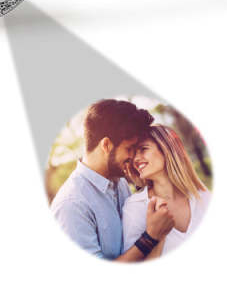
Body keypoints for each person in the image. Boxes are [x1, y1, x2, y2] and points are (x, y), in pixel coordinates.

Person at [50, 99, 176, 261]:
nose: (133, 157)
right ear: (106, 145)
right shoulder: (72, 204)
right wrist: (150, 237)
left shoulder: (119, 182)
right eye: (129, 149)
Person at [122, 124, 211, 258]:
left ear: (166, 149)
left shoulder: (202, 196)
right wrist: (157, 236)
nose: (136, 159)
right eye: (133, 154)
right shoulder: (135, 207)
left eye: (143, 149)